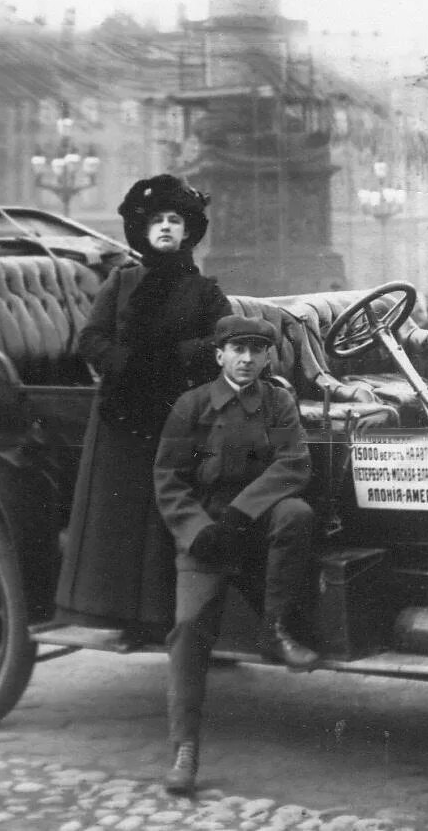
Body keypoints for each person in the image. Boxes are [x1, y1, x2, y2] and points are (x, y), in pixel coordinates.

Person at [55, 175, 231, 636]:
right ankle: (122, 615)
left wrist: (178, 359)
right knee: (126, 517)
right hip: (123, 416)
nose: (167, 228)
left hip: (179, 412)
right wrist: (127, 365)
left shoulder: (204, 291)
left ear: (189, 231)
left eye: (175, 220)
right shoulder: (122, 281)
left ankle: (175, 618)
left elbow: (223, 341)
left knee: (169, 511)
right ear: (143, 230)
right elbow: (91, 338)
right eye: (158, 221)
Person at [153, 314, 318, 795]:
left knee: (297, 514)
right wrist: (197, 529)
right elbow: (168, 479)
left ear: (268, 356)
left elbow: (294, 462)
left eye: (256, 350)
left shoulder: (278, 402)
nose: (247, 359)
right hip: (206, 532)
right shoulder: (192, 406)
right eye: (237, 350)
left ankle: (276, 630)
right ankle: (184, 748)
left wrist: (243, 513)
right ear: (219, 355)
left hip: (255, 523)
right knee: (188, 630)